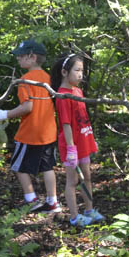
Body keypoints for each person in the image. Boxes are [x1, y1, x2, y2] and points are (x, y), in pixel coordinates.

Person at [0, 39, 60, 213]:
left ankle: (31, 200)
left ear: (32, 57)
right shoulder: (49, 78)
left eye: (21, 56)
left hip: (30, 134)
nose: (18, 59)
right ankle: (53, 202)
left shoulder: (25, 80)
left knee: (18, 167)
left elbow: (27, 107)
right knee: (47, 167)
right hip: (49, 132)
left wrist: (3, 114)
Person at [51, 53, 105, 228]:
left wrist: (90, 139)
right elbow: (66, 124)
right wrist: (71, 148)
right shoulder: (62, 95)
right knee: (72, 180)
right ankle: (74, 216)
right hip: (71, 145)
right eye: (77, 70)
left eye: (82, 70)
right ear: (65, 72)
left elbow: (83, 118)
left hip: (83, 142)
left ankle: (89, 210)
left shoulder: (78, 91)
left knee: (87, 176)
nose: (81, 74)